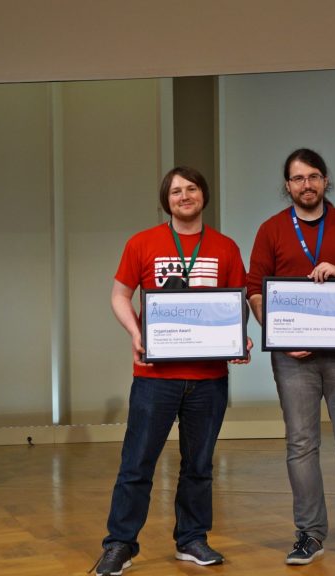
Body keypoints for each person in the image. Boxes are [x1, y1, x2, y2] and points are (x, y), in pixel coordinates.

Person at [92, 166, 250, 576]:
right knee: (136, 465)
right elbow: (119, 295)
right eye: (176, 191)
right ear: (167, 200)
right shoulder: (142, 243)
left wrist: (240, 339)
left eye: (191, 189)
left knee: (199, 466)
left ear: (203, 195)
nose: (184, 196)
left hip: (208, 379)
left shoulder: (225, 247)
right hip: (154, 378)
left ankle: (192, 539)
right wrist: (136, 333)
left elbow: (237, 302)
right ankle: (120, 544)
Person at [246, 148, 335, 565]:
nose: (306, 185)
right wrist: (277, 336)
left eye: (313, 176)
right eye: (298, 178)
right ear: (287, 185)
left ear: (326, 180)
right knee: (301, 445)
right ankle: (309, 535)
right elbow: (255, 290)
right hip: (292, 357)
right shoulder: (271, 229)